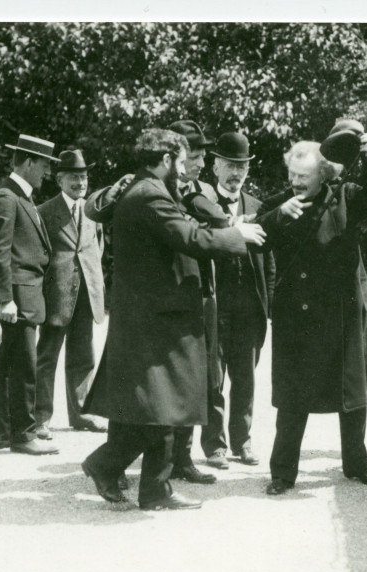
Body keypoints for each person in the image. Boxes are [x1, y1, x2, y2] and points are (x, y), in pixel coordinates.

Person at [80, 128, 266, 510]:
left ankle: (150, 487)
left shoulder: (152, 191)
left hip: (156, 314)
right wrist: (237, 234)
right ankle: (112, 467)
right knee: (164, 407)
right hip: (155, 317)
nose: (185, 170)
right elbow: (191, 238)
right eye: (181, 162)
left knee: (162, 407)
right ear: (165, 160)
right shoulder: (150, 195)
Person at [256, 121, 367, 496]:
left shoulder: (346, 194)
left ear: (324, 173)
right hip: (297, 314)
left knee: (351, 393)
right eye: (292, 174)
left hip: (341, 310)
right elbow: (254, 238)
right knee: (292, 399)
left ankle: (356, 464)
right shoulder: (281, 202)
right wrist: (278, 214)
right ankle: (282, 474)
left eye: (304, 176)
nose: (297, 182)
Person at [200, 131, 275, 468]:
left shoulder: (258, 208)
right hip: (213, 306)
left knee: (245, 378)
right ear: (215, 167)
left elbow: (269, 264)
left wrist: (268, 306)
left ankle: (242, 442)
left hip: (248, 308)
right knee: (212, 378)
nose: (236, 173)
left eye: (242, 167)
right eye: (230, 165)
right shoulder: (200, 205)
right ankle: (214, 445)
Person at [0, 134, 60, 455]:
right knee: (24, 366)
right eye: (44, 165)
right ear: (28, 162)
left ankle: (4, 434)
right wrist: (6, 299)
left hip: (27, 295)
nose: (47, 173)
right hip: (18, 297)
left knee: (11, 363)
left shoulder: (21, 197)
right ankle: (23, 435)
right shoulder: (6, 197)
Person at [164, 119, 225, 482]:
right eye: (196, 157)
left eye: (204, 157)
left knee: (200, 377)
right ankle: (150, 458)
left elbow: (219, 226)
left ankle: (182, 458)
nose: (201, 164)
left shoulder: (203, 191)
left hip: (202, 293)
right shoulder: (157, 190)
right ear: (176, 156)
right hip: (168, 294)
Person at [34, 149, 108, 436]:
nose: (80, 182)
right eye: (74, 177)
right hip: (56, 296)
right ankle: (41, 418)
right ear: (60, 179)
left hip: (87, 295)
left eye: (84, 176)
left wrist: (92, 281)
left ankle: (81, 414)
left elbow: (96, 249)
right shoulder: (44, 212)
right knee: (47, 356)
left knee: (83, 356)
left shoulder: (92, 210)